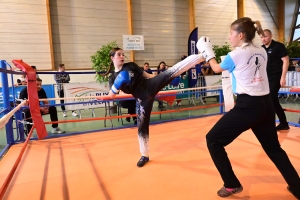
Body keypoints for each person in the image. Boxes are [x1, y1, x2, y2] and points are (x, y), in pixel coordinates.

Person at [197, 17, 300, 199]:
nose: (229, 37)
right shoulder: (260, 50)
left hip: (248, 106)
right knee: (274, 148)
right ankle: (298, 187)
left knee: (213, 140)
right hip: (266, 105)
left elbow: (215, 68)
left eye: (231, 33)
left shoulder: (235, 55)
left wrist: (208, 52)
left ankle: (231, 184)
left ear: (241, 35)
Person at [107, 47, 202, 167]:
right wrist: (119, 82)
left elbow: (147, 75)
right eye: (119, 55)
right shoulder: (113, 77)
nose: (122, 56)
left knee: (172, 71)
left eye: (123, 54)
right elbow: (113, 94)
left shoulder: (130, 65)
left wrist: (164, 79)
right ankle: (144, 155)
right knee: (142, 127)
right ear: (112, 58)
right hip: (141, 99)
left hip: (150, 85)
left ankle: (201, 56)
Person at [260, 29, 290, 130]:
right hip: (265, 78)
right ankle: (268, 122)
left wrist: (283, 77)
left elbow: (286, 61)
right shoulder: (261, 48)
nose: (263, 39)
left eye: (265, 36)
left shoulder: (278, 46)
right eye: (261, 37)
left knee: (272, 99)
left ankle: (284, 123)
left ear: (271, 36)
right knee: (265, 100)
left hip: (276, 77)